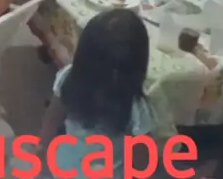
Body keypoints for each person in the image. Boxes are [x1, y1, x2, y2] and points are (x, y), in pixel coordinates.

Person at [38, 10, 161, 178]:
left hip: (64, 167)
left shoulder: (68, 76)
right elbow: (142, 164)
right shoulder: (135, 105)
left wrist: (42, 150)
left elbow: (51, 119)